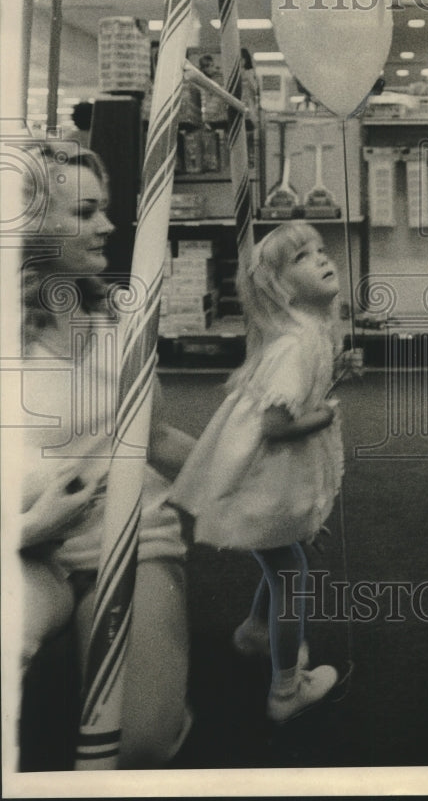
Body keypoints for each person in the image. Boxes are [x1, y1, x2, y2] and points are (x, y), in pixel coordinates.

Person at [18, 141, 196, 768]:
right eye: (86, 212)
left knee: (138, 743)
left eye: (106, 209)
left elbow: (158, 438)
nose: (109, 227)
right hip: (29, 547)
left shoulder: (120, 316)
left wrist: (241, 485)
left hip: (125, 534)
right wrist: (26, 529)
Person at [171, 221, 345, 723]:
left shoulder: (307, 332)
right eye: (300, 258)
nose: (319, 258)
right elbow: (275, 425)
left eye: (320, 249)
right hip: (265, 477)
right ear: (279, 287)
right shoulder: (294, 345)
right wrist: (326, 415)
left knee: (283, 559)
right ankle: (287, 689)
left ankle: (254, 632)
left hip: (273, 477)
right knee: (292, 572)